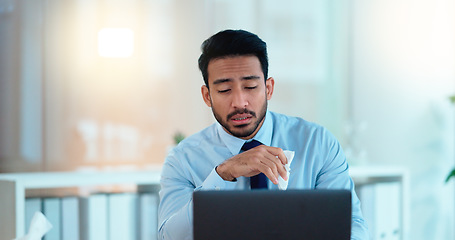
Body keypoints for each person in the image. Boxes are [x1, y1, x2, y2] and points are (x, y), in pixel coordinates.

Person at [158, 29, 369, 240]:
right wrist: (222, 174)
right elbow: (169, 237)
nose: (239, 102)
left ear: (268, 88)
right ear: (207, 96)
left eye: (250, 86)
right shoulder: (183, 159)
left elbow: (353, 227)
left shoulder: (318, 143)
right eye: (224, 90)